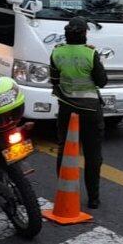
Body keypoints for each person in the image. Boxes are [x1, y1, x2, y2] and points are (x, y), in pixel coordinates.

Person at [50, 16, 108, 209]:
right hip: (90, 110)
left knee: (64, 150)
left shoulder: (57, 53)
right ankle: (94, 198)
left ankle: (64, 191)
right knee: (93, 155)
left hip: (66, 109)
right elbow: (102, 81)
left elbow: (54, 79)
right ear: (84, 34)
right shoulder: (90, 54)